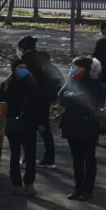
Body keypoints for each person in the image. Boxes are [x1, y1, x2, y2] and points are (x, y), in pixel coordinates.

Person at [58, 56, 105, 201]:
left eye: (77, 66)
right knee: (76, 158)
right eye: (73, 65)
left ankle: (88, 190)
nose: (73, 69)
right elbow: (61, 96)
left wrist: (71, 98)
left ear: (86, 69)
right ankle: (77, 188)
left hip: (88, 124)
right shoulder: (71, 80)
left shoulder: (95, 83)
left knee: (89, 158)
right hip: (71, 123)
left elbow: (86, 99)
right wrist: (73, 98)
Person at [0, 59, 43, 196]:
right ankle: (16, 183)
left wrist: (40, 122)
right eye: (20, 67)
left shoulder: (32, 84)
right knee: (15, 153)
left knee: (31, 154)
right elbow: (0, 103)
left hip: (30, 123)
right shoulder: (6, 85)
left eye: (25, 67)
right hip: (13, 122)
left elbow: (39, 105)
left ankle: (29, 183)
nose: (23, 70)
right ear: (14, 69)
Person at [17, 36, 61, 168]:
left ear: (23, 49)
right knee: (44, 129)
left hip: (30, 101)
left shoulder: (27, 64)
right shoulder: (44, 63)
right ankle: (49, 159)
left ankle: (29, 158)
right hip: (44, 101)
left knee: (28, 131)